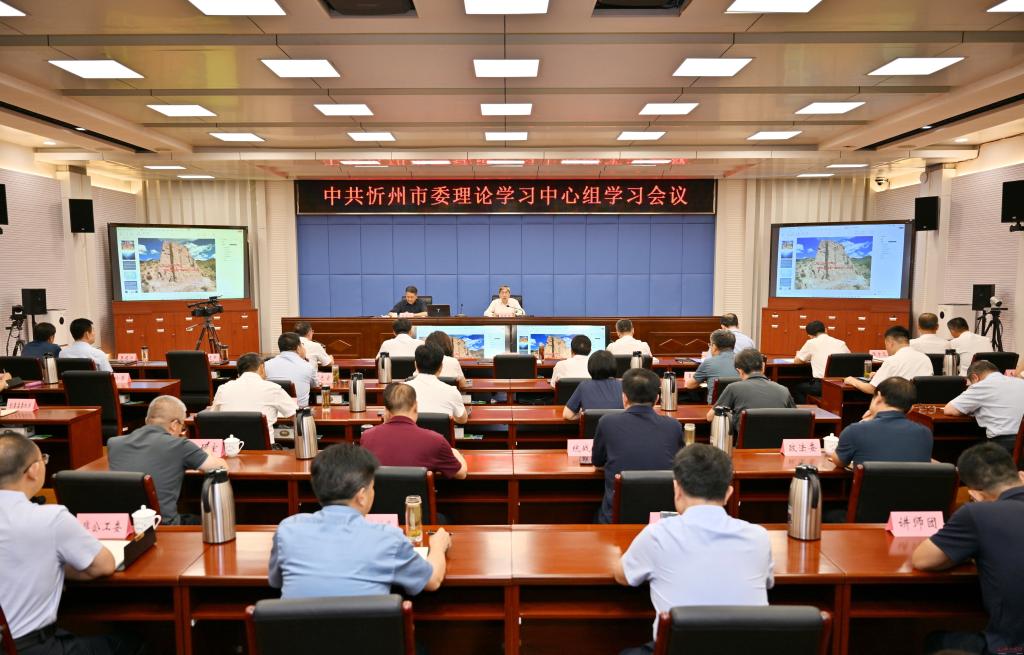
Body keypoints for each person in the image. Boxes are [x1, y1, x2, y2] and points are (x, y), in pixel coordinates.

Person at [613, 444, 773, 655]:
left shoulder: (657, 535)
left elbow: (622, 575)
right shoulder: (759, 537)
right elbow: (767, 582)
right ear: (728, 493)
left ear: (677, 489)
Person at [0, 432, 143, 655]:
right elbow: (104, 566)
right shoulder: (50, 518)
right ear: (34, 470)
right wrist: (57, 567)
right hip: (29, 647)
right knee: (131, 643)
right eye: (43, 459)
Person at [269, 443, 452, 598]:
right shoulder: (388, 538)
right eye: (372, 487)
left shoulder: (288, 529)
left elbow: (275, 581)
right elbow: (432, 581)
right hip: (367, 631)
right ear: (362, 496)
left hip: (298, 631)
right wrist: (438, 546)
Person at [912, 442, 1024, 655]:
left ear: (976, 495)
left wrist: (969, 553)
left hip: (1010, 648)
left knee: (938, 642)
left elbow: (922, 560)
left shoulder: (977, 513)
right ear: (1021, 475)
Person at [108, 395, 227, 525]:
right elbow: (221, 468)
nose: (181, 432)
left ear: (147, 420)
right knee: (214, 521)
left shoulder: (114, 444)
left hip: (125, 525)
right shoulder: (179, 445)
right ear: (174, 425)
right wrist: (208, 454)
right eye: (182, 427)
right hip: (164, 525)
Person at [592, 368, 683, 523]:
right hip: (662, 520)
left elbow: (598, 462)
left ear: (624, 397)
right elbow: (679, 465)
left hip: (616, 519)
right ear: (657, 399)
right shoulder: (674, 426)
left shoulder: (607, 422)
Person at [361, 383, 467, 479]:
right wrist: (455, 452)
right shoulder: (436, 441)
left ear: (386, 411)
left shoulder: (367, 436)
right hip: (416, 496)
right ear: (416, 406)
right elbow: (461, 474)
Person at [828, 377, 933, 468]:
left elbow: (839, 462)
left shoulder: (855, 430)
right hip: (912, 486)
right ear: (910, 409)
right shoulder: (925, 433)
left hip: (869, 486)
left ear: (878, 397)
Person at [708, 348, 795, 436]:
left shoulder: (733, 388)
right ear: (763, 366)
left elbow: (710, 417)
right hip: (778, 443)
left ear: (740, 371)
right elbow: (795, 418)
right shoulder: (784, 390)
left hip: (746, 443)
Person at [944, 360, 1024, 454]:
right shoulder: (1020, 382)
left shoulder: (982, 385)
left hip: (1005, 447)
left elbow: (949, 409)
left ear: (975, 377)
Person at [211, 353, 298, 436]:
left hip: (231, 444)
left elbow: (213, 416)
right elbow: (295, 414)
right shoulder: (273, 388)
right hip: (263, 446)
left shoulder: (223, 388)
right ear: (261, 367)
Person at [844, 326, 933, 396]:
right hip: (919, 406)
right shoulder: (925, 358)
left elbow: (872, 389)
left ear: (890, 343)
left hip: (898, 405)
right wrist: (879, 375)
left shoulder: (892, 360)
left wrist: (852, 381)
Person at [405, 344, 469, 425]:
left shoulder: (401, 390)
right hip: (441, 434)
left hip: (410, 433)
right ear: (441, 367)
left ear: (415, 365)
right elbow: (463, 420)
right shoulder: (452, 391)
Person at [793, 320, 851, 403]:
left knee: (797, 388)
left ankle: (806, 410)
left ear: (810, 336)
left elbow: (797, 361)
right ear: (826, 330)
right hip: (841, 384)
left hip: (823, 386)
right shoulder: (841, 343)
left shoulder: (811, 342)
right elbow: (850, 360)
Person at [563, 350, 624, 420]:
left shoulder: (584, 386)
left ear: (590, 367)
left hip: (591, 427)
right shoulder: (624, 385)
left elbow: (567, 415)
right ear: (614, 366)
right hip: (618, 427)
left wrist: (583, 415)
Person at [264, 332, 318, 407]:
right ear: (298, 348)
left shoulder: (266, 365)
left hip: (274, 411)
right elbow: (314, 385)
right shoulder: (308, 367)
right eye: (302, 345)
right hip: (300, 411)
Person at [685, 329, 736, 403]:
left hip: (715, 407)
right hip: (739, 406)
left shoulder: (709, 363)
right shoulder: (745, 361)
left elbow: (690, 385)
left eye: (710, 345)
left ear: (714, 346)